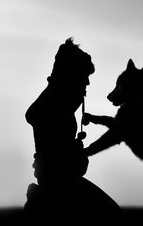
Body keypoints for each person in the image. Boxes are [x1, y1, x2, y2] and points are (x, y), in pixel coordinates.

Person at [24, 38, 119, 222]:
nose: (87, 84)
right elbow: (58, 152)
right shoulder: (53, 106)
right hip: (60, 188)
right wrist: (75, 153)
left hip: (62, 184)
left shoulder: (58, 104)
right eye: (85, 76)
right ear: (71, 75)